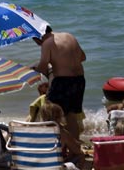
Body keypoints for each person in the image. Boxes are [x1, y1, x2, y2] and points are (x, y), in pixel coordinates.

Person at [32, 27, 87, 157]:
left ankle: (59, 149)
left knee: (49, 115)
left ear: (38, 37)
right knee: (71, 115)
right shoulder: (69, 35)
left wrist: (33, 69)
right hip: (79, 80)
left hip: (62, 82)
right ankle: (75, 150)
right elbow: (83, 57)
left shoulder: (47, 43)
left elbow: (43, 65)